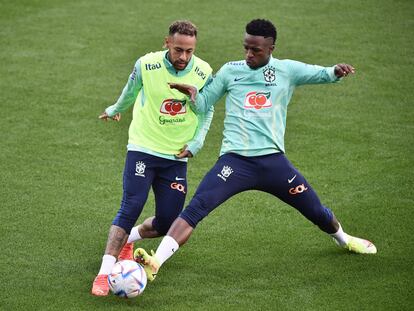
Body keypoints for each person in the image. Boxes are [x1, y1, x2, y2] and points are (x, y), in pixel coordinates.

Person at [134, 19, 377, 282]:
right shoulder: (230, 71)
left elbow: (319, 73)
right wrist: (194, 95)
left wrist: (335, 72)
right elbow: (205, 104)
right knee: (195, 209)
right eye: (246, 48)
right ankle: (156, 262)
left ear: (271, 47)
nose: (249, 54)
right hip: (234, 163)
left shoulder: (286, 70)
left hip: (274, 164)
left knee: (315, 210)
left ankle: (344, 239)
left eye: (256, 50)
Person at [91, 20, 214, 296]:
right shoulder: (147, 65)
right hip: (143, 147)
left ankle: (129, 239)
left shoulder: (204, 71)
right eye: (178, 49)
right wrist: (115, 108)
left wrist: (196, 142)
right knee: (131, 205)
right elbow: (130, 90)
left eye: (189, 51)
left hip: (176, 156)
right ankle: (103, 273)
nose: (183, 57)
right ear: (166, 43)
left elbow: (207, 111)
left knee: (168, 222)